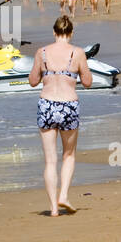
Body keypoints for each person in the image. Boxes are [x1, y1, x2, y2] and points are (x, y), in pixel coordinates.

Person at [28, 15, 93, 216]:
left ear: (54, 32)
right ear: (70, 33)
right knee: (69, 154)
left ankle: (53, 208)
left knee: (50, 160)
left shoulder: (42, 52)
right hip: (68, 104)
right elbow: (88, 81)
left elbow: (32, 81)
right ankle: (63, 195)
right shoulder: (78, 52)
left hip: (47, 103)